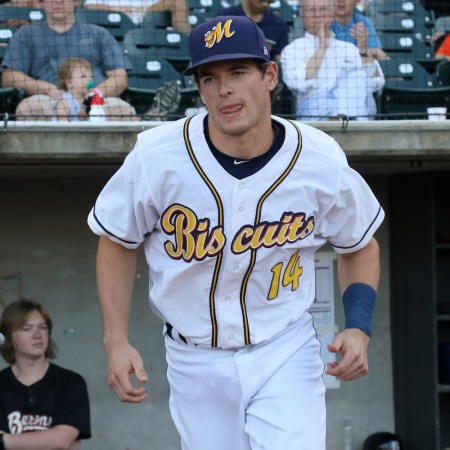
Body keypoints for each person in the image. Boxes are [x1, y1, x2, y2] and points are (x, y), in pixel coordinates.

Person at [87, 14, 384, 450]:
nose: (223, 88)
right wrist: (115, 340)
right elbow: (116, 241)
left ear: (269, 76)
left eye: (238, 72)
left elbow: (359, 244)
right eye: (209, 77)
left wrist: (358, 326)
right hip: (193, 355)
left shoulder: (319, 158)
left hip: (285, 346)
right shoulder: (157, 155)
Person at [1, 0, 138, 121]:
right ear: (42, 2)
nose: (58, 1)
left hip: (97, 100)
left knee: (123, 111)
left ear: (75, 1)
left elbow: (120, 78)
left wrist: (92, 96)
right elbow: (9, 76)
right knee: (28, 109)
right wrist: (46, 88)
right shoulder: (26, 34)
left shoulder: (98, 33)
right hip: (49, 100)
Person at [0, 298, 91, 449]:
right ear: (9, 337)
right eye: (27, 328)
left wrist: (5, 441)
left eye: (42, 327)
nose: (37, 334)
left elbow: (61, 441)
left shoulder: (71, 382)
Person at [280, 0, 384, 121]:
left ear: (332, 15)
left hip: (353, 111)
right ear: (303, 17)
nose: (318, 15)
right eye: (313, 10)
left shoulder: (348, 48)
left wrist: (364, 50)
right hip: (314, 111)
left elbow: (377, 82)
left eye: (323, 10)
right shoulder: (292, 49)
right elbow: (297, 84)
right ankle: (341, 122)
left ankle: (340, 119)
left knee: (358, 77)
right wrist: (322, 47)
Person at [216, 0, 290, 61]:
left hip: (263, 73)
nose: (265, 5)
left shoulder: (278, 23)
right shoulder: (224, 17)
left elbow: (279, 57)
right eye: (261, 1)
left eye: (270, 2)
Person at [83, 0, 191, 33]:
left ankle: (189, 43)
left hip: (145, 17)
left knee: (178, 2)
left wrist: (140, 11)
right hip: (116, 21)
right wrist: (119, 10)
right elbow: (89, 6)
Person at [54, 57, 92, 121]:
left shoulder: (89, 99)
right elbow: (62, 126)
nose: (89, 79)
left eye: (91, 76)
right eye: (83, 76)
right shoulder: (64, 102)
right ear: (69, 82)